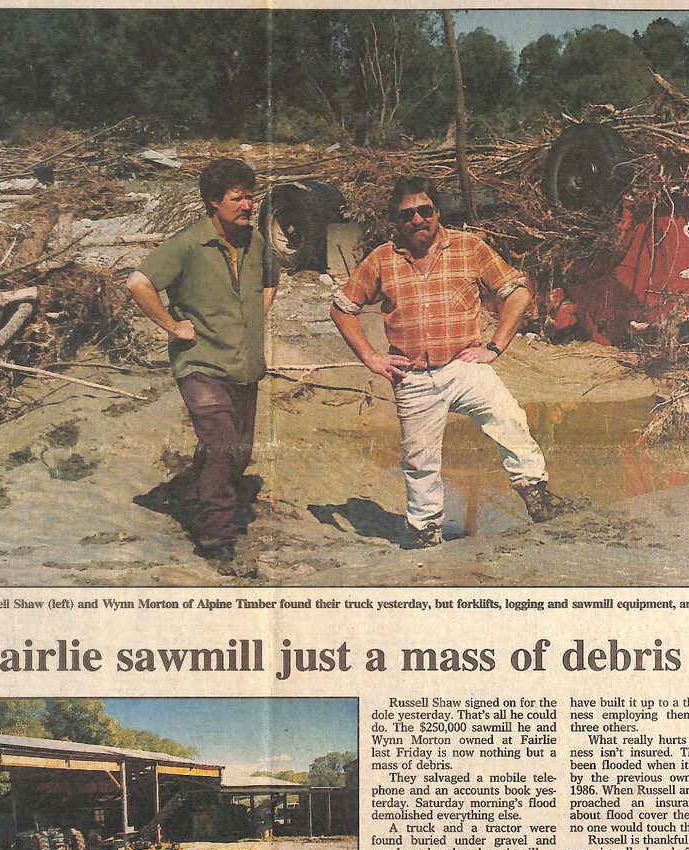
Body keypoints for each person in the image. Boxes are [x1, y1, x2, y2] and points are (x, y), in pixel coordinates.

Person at [331, 175, 576, 548]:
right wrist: (371, 357)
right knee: (419, 460)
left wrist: (494, 347)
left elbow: (518, 292)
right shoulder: (382, 259)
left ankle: (537, 495)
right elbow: (342, 308)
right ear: (396, 221)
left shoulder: (469, 247)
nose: (417, 220)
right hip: (412, 377)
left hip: (466, 367)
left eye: (424, 210)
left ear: (438, 211)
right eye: (407, 215)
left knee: (510, 420)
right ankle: (426, 530)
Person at [126, 158, 279, 571]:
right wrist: (173, 325)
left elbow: (271, 281)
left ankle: (195, 496)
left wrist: (253, 319)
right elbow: (138, 282)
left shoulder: (256, 242)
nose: (247, 205)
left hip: (244, 364)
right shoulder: (189, 243)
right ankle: (216, 538)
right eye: (237, 198)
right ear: (213, 201)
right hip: (200, 364)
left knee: (239, 452)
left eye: (251, 196)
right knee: (221, 443)